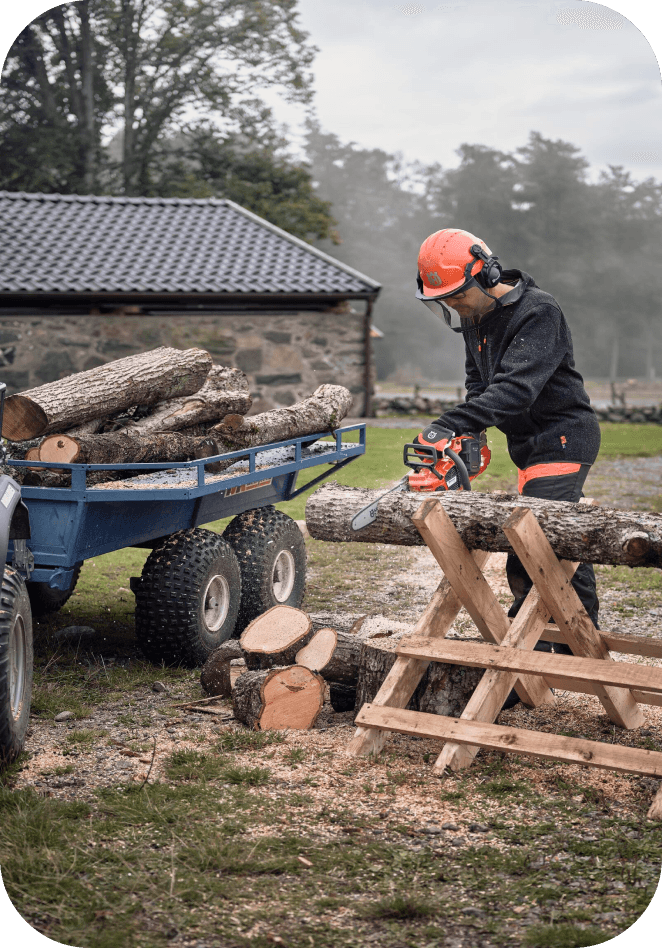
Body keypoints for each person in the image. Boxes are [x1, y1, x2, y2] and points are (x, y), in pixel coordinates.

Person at [414, 228, 602, 704]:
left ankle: (542, 650)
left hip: (562, 436)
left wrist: (446, 424)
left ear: (487, 272)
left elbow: (517, 389)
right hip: (527, 443)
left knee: (533, 542)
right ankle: (573, 641)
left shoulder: (539, 311)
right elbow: (481, 388)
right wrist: (468, 434)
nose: (455, 306)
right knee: (552, 537)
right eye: (446, 300)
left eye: (458, 295)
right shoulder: (476, 321)